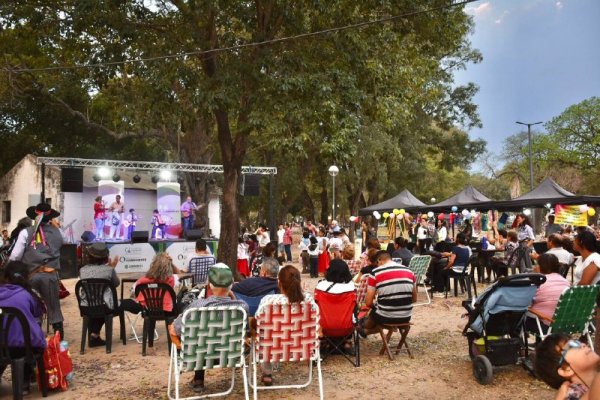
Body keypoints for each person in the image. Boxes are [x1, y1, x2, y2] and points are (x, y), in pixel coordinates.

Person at [171, 263, 249, 393]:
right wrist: (232, 296)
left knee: (198, 336)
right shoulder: (242, 307)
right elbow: (245, 331)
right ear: (231, 285)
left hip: (198, 357)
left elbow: (176, 329)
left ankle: (198, 380)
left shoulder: (197, 307)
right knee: (207, 335)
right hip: (229, 356)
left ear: (210, 285)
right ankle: (198, 380)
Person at [10, 203, 65, 339]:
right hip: (50, 276)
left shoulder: (25, 232)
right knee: (54, 307)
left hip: (31, 276)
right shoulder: (58, 232)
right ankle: (59, 337)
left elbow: (15, 256)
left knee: (34, 306)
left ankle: (36, 336)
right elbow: (62, 243)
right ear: (50, 217)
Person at [255, 265, 315, 386]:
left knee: (265, 334)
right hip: (300, 348)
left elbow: (258, 323)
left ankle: (267, 373)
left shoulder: (268, 301)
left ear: (279, 283)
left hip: (273, 349)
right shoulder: (308, 300)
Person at [0, 261, 47, 395]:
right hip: (22, 349)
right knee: (29, 335)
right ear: (26, 277)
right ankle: (24, 383)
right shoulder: (29, 295)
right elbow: (38, 314)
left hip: (1, 346)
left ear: (6, 277)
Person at [358, 251, 416, 337]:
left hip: (386, 316)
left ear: (379, 260)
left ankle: (363, 329)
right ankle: (364, 330)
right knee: (379, 311)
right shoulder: (410, 272)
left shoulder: (375, 272)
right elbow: (414, 299)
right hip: (406, 316)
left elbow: (368, 302)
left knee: (375, 313)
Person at [78, 242, 120, 347]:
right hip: (104, 307)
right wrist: (112, 269)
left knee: (96, 303)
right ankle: (94, 335)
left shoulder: (82, 271)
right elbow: (116, 283)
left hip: (86, 307)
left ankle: (94, 335)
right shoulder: (109, 270)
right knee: (119, 304)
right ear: (105, 257)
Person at [534, 333, 599, 400]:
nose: (583, 345)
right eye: (571, 346)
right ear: (565, 369)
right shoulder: (573, 395)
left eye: (577, 342)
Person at [525, 253, 570, 335]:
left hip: (544, 324)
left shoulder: (538, 282)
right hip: (563, 324)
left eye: (536, 264)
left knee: (520, 315)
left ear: (540, 267)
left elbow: (525, 302)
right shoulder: (565, 281)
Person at [433, 233, 472, 297]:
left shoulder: (456, 248)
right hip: (465, 271)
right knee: (445, 270)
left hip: (457, 271)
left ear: (458, 239)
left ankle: (441, 291)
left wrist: (447, 267)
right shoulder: (467, 249)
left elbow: (451, 261)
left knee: (442, 271)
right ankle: (447, 290)